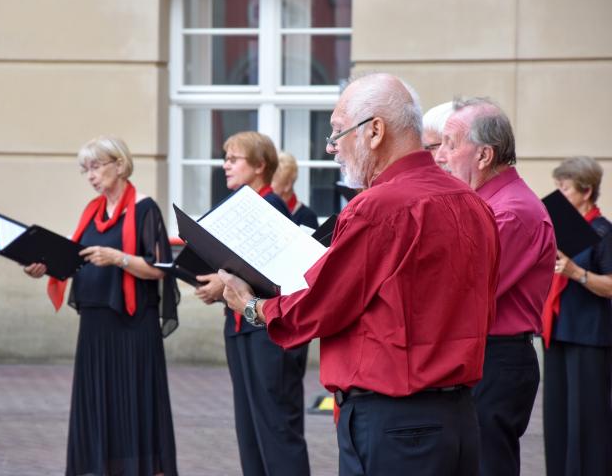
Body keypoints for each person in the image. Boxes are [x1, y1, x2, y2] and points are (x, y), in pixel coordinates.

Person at [219, 73, 500, 475]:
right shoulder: (472, 203)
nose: (332, 147)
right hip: (456, 417)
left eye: (337, 132)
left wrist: (251, 306)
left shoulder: (378, 207)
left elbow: (321, 305)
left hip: (394, 421)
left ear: (374, 132)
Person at [24, 136, 179, 476]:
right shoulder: (91, 213)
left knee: (132, 402)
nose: (91, 176)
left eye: (96, 167)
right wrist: (43, 267)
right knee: (98, 401)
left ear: (120, 165)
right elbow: (73, 260)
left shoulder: (145, 209)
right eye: (86, 170)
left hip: (133, 323)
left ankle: (139, 468)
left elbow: (159, 269)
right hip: (95, 322)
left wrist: (119, 258)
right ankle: (97, 467)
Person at [434, 97, 556, 476]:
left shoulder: (510, 211)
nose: (440, 156)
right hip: (486, 356)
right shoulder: (489, 204)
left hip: (497, 359)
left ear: (485, 155)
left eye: (450, 144)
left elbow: (463, 289)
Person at [194, 131, 310, 476]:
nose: (226, 165)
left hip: (269, 332)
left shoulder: (270, 204)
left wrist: (223, 280)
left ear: (260, 165)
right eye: (225, 158)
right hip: (242, 326)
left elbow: (275, 270)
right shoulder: (240, 206)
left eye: (234, 159)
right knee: (249, 428)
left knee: (276, 428)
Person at [541, 156, 612, 476]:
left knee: (586, 420)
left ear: (586, 191)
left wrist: (577, 273)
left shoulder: (603, 231)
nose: (559, 195)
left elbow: (610, 285)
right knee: (558, 418)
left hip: (588, 336)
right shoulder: (564, 227)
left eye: (565, 188)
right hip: (557, 332)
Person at [271, 152, 319, 229]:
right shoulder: (266, 209)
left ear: (287, 184)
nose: (266, 185)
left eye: (271, 180)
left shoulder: (307, 218)